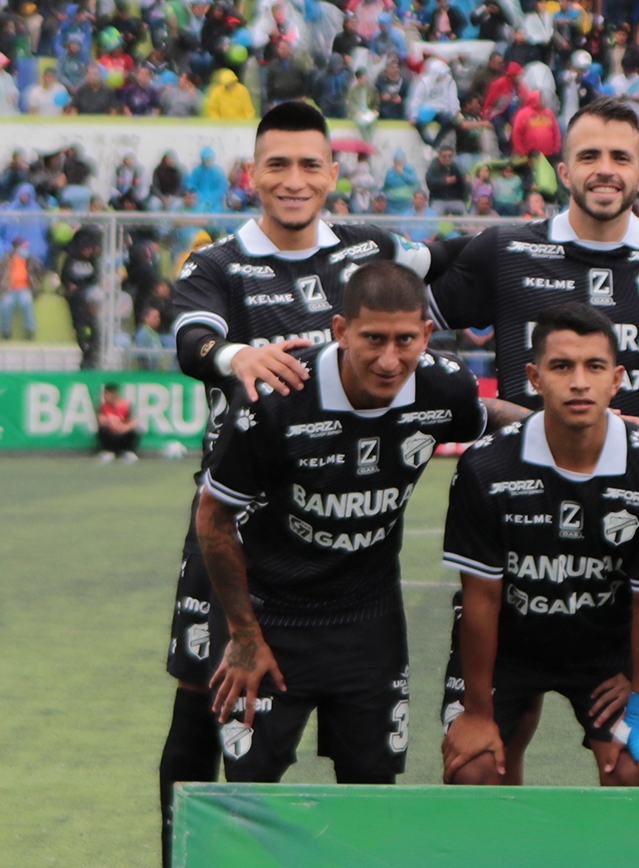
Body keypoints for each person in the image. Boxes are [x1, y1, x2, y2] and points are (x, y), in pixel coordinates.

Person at [156, 102, 467, 865]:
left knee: (360, 766)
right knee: (199, 724)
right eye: (277, 166)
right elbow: (191, 339)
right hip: (232, 530)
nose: (293, 181)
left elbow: (456, 263)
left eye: (309, 165)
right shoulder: (218, 262)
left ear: (333, 174)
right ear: (251, 175)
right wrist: (236, 359)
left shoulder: (370, 249)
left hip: (343, 538)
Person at [197, 261, 500, 792]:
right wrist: (244, 634)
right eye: (373, 339)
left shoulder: (441, 386)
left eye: (405, 340)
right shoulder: (277, 399)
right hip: (271, 619)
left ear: (427, 334)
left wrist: (589, 422)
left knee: (371, 789)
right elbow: (213, 516)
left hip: (369, 621)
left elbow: (485, 414)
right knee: (250, 788)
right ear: (340, 331)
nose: (389, 359)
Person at [439, 302, 639, 788]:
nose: (579, 381)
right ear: (534, 377)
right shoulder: (486, 466)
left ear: (616, 379)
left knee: (633, 771)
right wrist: (476, 710)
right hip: (510, 646)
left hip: (604, 644)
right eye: (562, 366)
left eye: (593, 367)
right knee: (471, 771)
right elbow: (481, 596)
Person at [427, 97, 639, 433]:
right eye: (589, 156)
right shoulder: (504, 250)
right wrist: (472, 401)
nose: (605, 169)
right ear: (564, 172)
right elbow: (404, 325)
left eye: (620, 157)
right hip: (521, 478)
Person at [1, 237, 39, 341]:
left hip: (24, 288)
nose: (25, 248)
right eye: (23, 246)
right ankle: (5, 331)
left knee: (26, 303)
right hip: (10, 289)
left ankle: (29, 330)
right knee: (5, 306)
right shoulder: (6, 259)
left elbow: (38, 272)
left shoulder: (30, 259)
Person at [96, 383, 141, 461]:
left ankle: (127, 451)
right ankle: (108, 451)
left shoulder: (125, 405)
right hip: (111, 432)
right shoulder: (103, 406)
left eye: (107, 393)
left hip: (123, 432)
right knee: (102, 429)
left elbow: (134, 421)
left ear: (113, 394)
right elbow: (101, 419)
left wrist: (125, 427)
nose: (104, 396)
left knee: (137, 430)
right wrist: (111, 421)